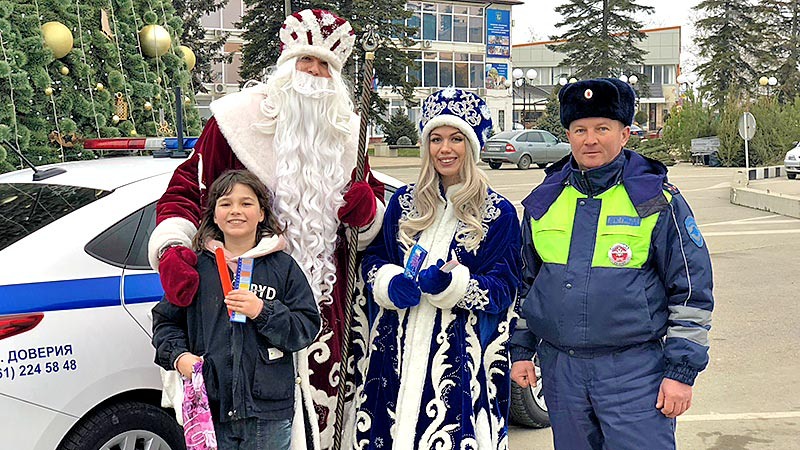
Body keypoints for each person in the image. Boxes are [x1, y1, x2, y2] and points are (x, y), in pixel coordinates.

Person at [147, 9, 385, 450]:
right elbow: (185, 189)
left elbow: (371, 219)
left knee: (324, 427)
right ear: (284, 64)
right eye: (306, 61)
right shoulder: (234, 124)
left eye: (325, 66)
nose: (314, 74)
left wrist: (367, 212)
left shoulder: (346, 134)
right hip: (233, 303)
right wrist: (172, 251)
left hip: (324, 311)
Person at [510, 78, 714, 450]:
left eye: (602, 128)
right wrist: (522, 351)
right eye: (580, 130)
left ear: (624, 134)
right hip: (562, 372)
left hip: (633, 372)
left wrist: (681, 373)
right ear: (568, 136)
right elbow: (527, 285)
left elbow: (691, 291)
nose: (590, 139)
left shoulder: (654, 199)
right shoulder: (543, 201)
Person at [354, 87, 521, 449]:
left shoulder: (499, 213)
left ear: (472, 145)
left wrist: (454, 285)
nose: (445, 149)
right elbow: (373, 259)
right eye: (436, 138)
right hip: (392, 354)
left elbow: (505, 287)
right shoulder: (403, 202)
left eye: (456, 138)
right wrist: (387, 280)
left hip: (456, 361)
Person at [152, 170, 321, 449]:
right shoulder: (196, 267)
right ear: (214, 215)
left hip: (267, 413)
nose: (236, 211)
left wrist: (263, 311)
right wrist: (179, 356)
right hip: (211, 409)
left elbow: (305, 327)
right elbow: (164, 322)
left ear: (262, 213)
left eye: (246, 203)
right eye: (226, 203)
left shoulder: (283, 267)